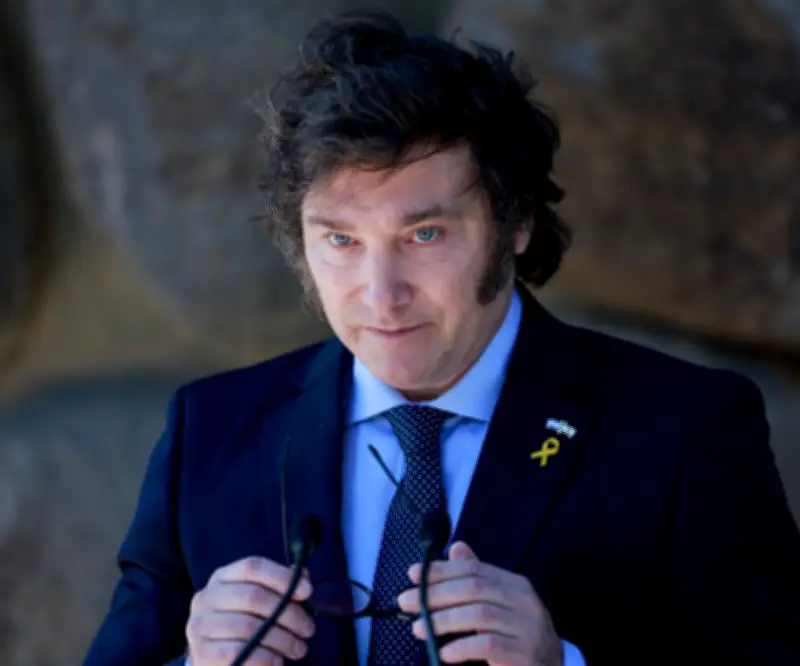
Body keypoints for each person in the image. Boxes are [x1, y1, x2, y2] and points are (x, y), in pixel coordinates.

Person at [82, 9, 800, 666]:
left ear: (516, 224)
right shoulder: (209, 430)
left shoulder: (687, 428)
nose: (381, 293)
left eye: (424, 235)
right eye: (341, 240)